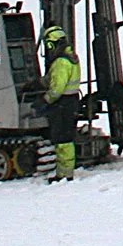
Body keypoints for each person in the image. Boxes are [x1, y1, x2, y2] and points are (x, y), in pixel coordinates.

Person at [42, 27, 81, 180]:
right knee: (66, 139)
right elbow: (53, 78)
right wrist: (39, 82)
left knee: (62, 140)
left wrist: (45, 100)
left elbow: (56, 88)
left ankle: (64, 175)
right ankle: (65, 172)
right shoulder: (71, 57)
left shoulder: (60, 62)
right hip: (70, 102)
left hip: (62, 104)